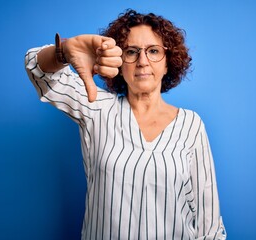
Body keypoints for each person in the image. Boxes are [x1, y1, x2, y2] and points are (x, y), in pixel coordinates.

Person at [25, 9, 226, 240]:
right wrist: (64, 52)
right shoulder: (97, 108)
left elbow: (209, 225)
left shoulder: (191, 125)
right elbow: (39, 72)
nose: (142, 61)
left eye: (153, 51)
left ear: (169, 63)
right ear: (119, 62)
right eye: (131, 52)